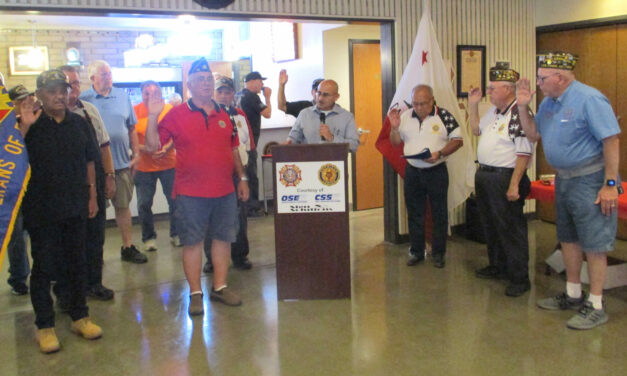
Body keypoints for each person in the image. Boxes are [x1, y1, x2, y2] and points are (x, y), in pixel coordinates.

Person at [517, 52, 621, 330]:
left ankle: (596, 304)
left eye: (542, 78)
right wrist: (522, 107)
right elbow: (532, 135)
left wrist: (610, 185)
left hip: (591, 180)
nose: (538, 83)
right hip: (564, 180)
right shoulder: (550, 102)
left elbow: (611, 140)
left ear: (560, 78)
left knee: (595, 244)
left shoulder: (589, 99)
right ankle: (573, 293)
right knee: (569, 239)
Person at [144, 58, 249, 315]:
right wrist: (153, 116)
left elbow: (233, 148)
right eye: (200, 80)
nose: (206, 83)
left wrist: (242, 178)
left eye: (208, 79)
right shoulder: (176, 115)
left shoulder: (225, 113)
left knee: (223, 239)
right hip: (190, 194)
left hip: (224, 191)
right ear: (189, 85)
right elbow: (153, 147)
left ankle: (220, 287)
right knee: (192, 243)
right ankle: (195, 293)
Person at [18, 69, 103, 353]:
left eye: (62, 90)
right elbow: (10, 161)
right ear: (39, 94)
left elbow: (90, 160)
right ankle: (44, 325)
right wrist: (25, 128)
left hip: (75, 205)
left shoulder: (79, 123)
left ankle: (80, 316)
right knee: (44, 267)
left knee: (78, 262)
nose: (58, 95)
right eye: (52, 90)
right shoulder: (29, 124)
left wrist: (92, 194)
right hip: (41, 210)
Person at [468, 62, 534, 297]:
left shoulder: (519, 113)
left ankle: (519, 277)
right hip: (486, 175)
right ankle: (497, 265)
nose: (488, 91)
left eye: (492, 88)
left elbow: (524, 152)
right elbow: (476, 130)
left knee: (510, 229)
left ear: (508, 89)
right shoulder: (495, 111)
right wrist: (473, 106)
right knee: (491, 225)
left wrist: (515, 183)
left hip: (505, 177)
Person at [388, 84, 463, 268]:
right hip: (413, 171)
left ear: (431, 100)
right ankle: (416, 251)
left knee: (439, 213)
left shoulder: (444, 116)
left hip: (436, 171)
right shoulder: (405, 116)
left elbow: (458, 140)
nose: (419, 107)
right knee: (414, 213)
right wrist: (395, 128)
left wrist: (440, 153)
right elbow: (395, 142)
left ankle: (438, 253)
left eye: (423, 103)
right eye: (415, 103)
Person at [57, 65, 116, 301]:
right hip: (63, 187)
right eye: (67, 84)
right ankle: (67, 289)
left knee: (95, 237)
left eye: (76, 83)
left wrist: (110, 176)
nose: (73, 88)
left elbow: (104, 146)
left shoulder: (89, 110)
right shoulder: (46, 114)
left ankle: (94, 282)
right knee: (67, 241)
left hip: (93, 182)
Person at [80, 60, 147, 264]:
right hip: (94, 167)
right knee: (92, 209)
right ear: (92, 78)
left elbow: (131, 127)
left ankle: (127, 246)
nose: (108, 77)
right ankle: (90, 253)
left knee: (123, 206)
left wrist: (136, 153)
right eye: (103, 74)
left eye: (109, 73)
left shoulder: (122, 96)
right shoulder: (83, 100)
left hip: (121, 163)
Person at [204, 76, 256, 273]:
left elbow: (249, 145)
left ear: (233, 94)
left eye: (228, 92)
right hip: (214, 175)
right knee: (212, 217)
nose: (224, 96)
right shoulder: (206, 115)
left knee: (240, 216)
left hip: (238, 174)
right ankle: (211, 259)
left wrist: (246, 175)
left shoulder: (240, 115)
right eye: (220, 92)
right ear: (213, 93)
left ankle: (240, 255)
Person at [133, 81, 179, 251]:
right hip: (144, 167)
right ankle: (148, 238)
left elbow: (177, 134)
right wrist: (147, 149)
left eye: (155, 93)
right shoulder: (134, 111)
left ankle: (176, 233)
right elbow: (130, 140)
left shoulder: (169, 110)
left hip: (169, 164)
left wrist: (167, 148)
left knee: (175, 201)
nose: (150, 96)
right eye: (147, 93)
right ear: (141, 94)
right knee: (144, 204)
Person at [5, 85, 32, 296]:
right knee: (16, 235)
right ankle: (19, 277)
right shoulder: (5, 128)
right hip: (12, 187)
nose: (26, 104)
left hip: (34, 185)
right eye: (20, 101)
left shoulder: (37, 121)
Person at [286, 79, 360, 152]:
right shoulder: (304, 114)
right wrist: (284, 146)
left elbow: (354, 145)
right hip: (308, 161)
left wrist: (332, 138)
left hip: (335, 162)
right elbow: (292, 140)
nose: (320, 98)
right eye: (319, 93)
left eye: (326, 95)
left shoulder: (346, 117)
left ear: (336, 97)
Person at [235, 71, 271, 217]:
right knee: (251, 175)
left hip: (238, 144)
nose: (262, 85)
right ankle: (252, 208)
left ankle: (243, 206)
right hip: (249, 143)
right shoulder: (252, 96)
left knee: (242, 175)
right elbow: (267, 113)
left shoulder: (238, 95)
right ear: (253, 81)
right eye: (260, 82)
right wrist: (268, 97)